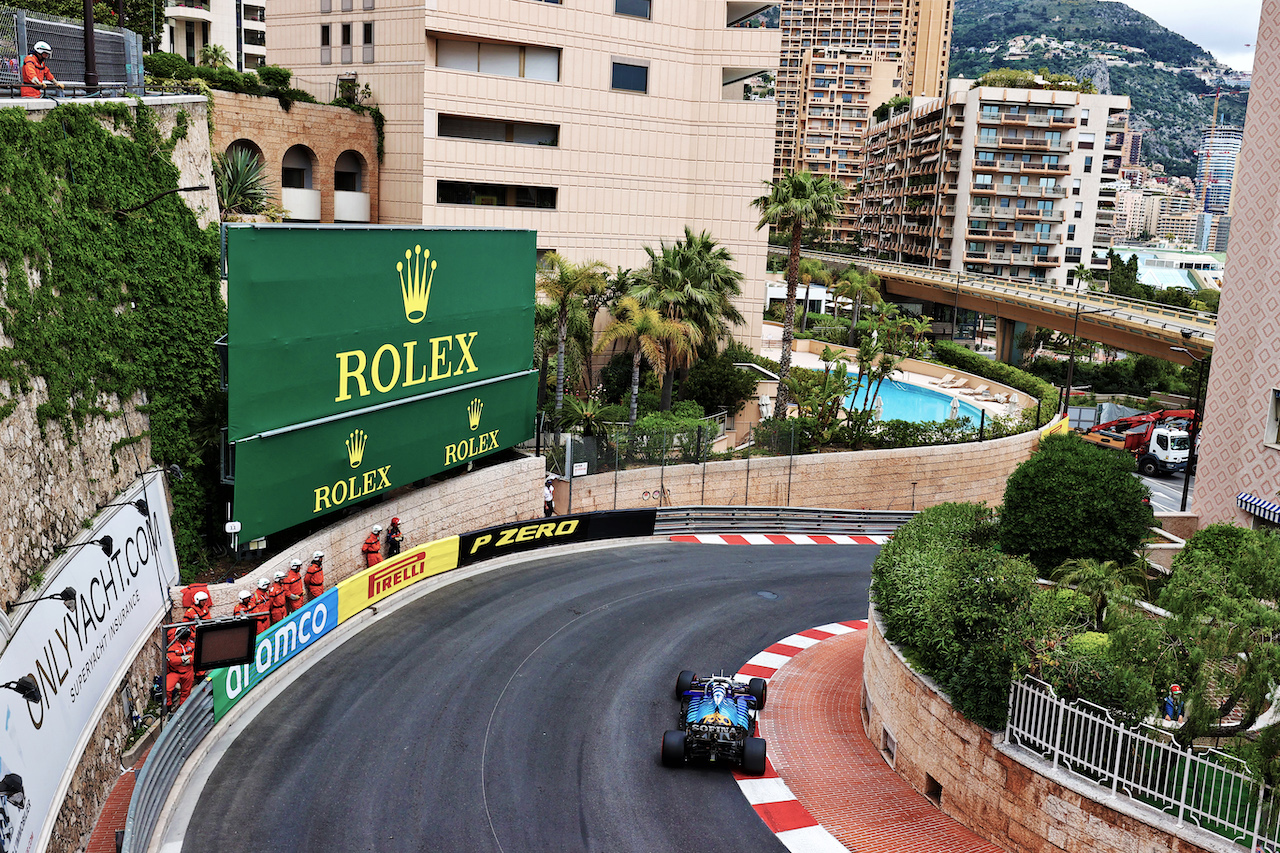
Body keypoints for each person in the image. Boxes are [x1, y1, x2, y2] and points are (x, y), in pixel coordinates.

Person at [165, 626, 195, 708]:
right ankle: (168, 705)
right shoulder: (172, 647)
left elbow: (195, 657)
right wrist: (183, 659)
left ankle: (183, 707)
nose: (184, 640)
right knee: (167, 688)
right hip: (175, 672)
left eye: (185, 638)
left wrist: (183, 660)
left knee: (186, 691)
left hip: (188, 671)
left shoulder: (192, 645)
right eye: (182, 638)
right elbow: (172, 660)